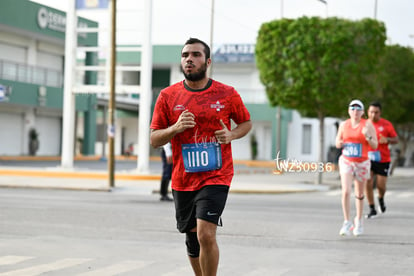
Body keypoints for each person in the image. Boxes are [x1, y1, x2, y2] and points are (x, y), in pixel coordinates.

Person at [150, 38, 252, 275]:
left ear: (207, 62)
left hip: (217, 174)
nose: (189, 59)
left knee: (206, 233)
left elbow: (246, 123)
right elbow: (155, 139)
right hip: (183, 178)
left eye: (195, 55)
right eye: (185, 55)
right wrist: (175, 128)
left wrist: (231, 134)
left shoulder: (226, 93)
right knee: (193, 239)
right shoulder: (167, 96)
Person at [335, 99, 378, 236]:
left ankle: (358, 220)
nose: (355, 111)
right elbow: (337, 142)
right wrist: (340, 143)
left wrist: (368, 136)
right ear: (348, 111)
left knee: (359, 194)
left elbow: (375, 145)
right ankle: (347, 221)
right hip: (347, 161)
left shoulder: (367, 125)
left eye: (358, 109)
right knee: (346, 191)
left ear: (362, 112)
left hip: (362, 162)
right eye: (352, 108)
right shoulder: (344, 125)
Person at [365, 101, 398, 218]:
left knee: (381, 185)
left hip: (383, 159)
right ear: (368, 112)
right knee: (368, 183)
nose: (373, 115)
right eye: (371, 112)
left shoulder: (386, 124)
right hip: (367, 158)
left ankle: (381, 198)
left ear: (380, 113)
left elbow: (396, 139)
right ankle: (372, 208)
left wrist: (388, 139)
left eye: (376, 112)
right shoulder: (364, 124)